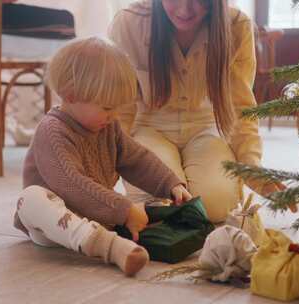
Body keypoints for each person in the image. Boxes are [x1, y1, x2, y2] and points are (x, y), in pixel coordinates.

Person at [12, 38, 192, 276]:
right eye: (107, 108)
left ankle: (110, 238)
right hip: (53, 228)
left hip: (97, 218)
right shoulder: (53, 131)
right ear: (71, 95)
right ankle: (106, 246)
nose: (114, 115)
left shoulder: (108, 128)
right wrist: (125, 210)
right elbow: (71, 184)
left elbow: (137, 159)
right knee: (30, 198)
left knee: (152, 209)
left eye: (117, 107)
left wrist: (170, 184)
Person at [109, 0, 293, 223]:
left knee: (215, 208)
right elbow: (121, 107)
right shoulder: (128, 23)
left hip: (206, 126)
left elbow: (239, 105)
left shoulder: (237, 25)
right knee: (160, 202)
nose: (185, 10)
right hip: (149, 127)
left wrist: (251, 167)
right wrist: (111, 159)